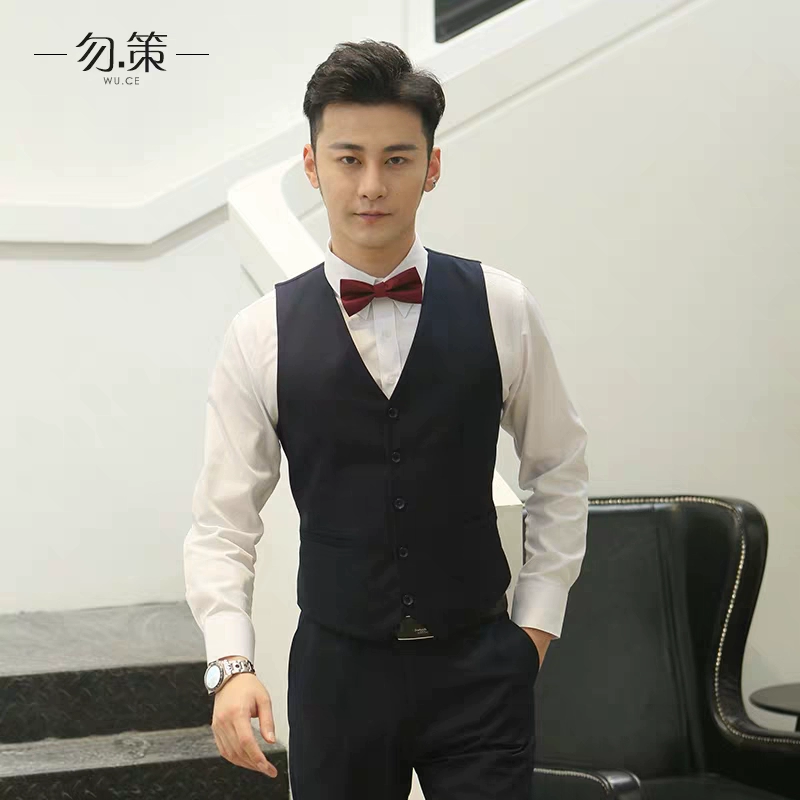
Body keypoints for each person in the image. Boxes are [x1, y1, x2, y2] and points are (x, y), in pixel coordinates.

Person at [183, 38, 589, 799]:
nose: (371, 185)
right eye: (349, 159)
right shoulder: (260, 334)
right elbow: (222, 523)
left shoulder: (501, 306)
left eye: (397, 159)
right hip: (336, 675)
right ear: (313, 166)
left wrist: (535, 626)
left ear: (431, 167)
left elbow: (559, 469)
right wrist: (230, 664)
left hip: (480, 669)